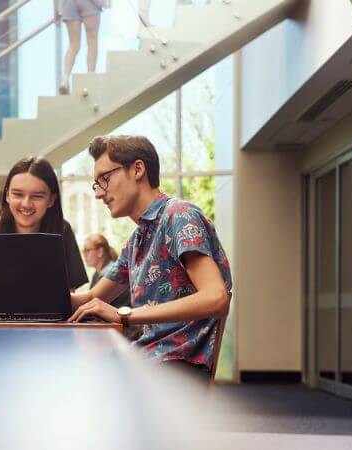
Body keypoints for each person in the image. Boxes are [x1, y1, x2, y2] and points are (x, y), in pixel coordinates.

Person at [69, 135, 232, 380]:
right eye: (96, 184)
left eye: (105, 179)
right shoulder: (137, 240)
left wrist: (123, 315)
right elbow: (92, 297)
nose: (99, 194)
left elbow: (216, 297)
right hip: (149, 358)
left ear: (137, 169)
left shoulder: (179, 216)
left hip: (177, 366)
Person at [0, 156, 88, 291]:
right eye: (18, 194)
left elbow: (68, 294)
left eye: (37, 196)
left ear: (51, 200)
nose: (26, 204)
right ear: (7, 196)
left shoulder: (62, 230)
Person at [54, 0, 102, 95]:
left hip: (68, 3)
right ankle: (90, 77)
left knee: (73, 44)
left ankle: (65, 79)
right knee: (92, 40)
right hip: (89, 3)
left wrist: (56, 9)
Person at [83, 234, 130, 308]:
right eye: (83, 251)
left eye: (87, 250)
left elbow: (92, 303)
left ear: (100, 251)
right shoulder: (97, 273)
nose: (84, 254)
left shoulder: (107, 274)